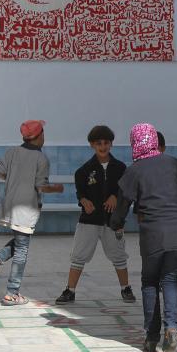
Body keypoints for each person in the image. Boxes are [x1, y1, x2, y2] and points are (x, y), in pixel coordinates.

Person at [110, 123, 177, 352]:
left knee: (150, 283)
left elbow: (120, 211)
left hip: (153, 235)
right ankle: (171, 327)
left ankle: (151, 337)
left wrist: (116, 225)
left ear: (136, 142)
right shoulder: (176, 164)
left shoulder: (135, 170)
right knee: (171, 280)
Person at [0, 119, 63, 305]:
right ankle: (12, 292)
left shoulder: (12, 152)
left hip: (9, 207)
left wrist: (13, 178)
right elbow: (41, 186)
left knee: (20, 242)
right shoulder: (41, 158)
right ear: (39, 136)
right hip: (26, 209)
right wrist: (56, 189)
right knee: (22, 251)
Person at [56, 125, 135, 305]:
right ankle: (70, 290)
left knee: (119, 255)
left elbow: (126, 192)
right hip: (89, 221)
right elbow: (81, 194)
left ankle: (126, 288)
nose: (103, 146)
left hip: (113, 221)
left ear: (111, 144)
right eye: (98, 143)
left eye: (106, 143)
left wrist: (116, 196)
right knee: (78, 255)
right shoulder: (83, 171)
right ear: (92, 145)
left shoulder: (121, 168)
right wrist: (84, 201)